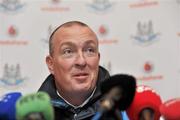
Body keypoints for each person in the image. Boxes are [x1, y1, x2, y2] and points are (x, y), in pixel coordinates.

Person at [38, 21, 112, 120]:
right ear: (51, 64)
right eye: (68, 51)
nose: (81, 61)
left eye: (89, 50)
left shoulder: (123, 111)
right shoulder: (35, 115)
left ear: (98, 59)